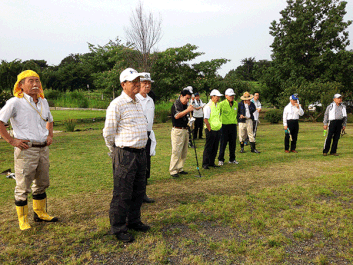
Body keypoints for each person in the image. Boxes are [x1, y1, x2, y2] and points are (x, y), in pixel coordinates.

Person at [0, 70, 58, 231]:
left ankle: (40, 213)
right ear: (21, 85)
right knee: (23, 185)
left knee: (42, 182)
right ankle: (23, 220)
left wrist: (50, 135)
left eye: (37, 81)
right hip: (26, 149)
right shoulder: (15, 102)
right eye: (30, 81)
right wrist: (12, 140)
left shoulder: (43, 102)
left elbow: (50, 120)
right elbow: (1, 122)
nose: (35, 84)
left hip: (42, 148)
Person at [103, 67, 150, 243]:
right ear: (123, 84)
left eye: (138, 80)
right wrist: (115, 151)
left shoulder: (137, 102)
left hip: (140, 153)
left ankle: (134, 221)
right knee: (122, 192)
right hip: (125, 153)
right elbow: (108, 132)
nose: (137, 83)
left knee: (138, 190)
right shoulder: (117, 104)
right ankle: (118, 227)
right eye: (133, 81)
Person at [136, 72, 156, 203]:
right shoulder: (135, 99)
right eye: (144, 83)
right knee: (136, 165)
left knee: (146, 164)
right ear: (138, 84)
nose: (147, 86)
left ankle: (142, 193)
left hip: (147, 134)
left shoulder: (150, 100)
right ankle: (135, 195)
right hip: (137, 135)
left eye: (149, 83)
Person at [169, 90, 194, 178]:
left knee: (184, 151)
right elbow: (177, 115)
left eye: (189, 99)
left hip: (185, 129)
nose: (187, 100)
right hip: (178, 130)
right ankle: (173, 170)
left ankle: (180, 168)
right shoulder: (176, 104)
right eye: (186, 98)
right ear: (181, 96)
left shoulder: (185, 105)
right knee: (176, 151)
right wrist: (187, 110)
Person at [218, 88, 239, 166]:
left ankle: (232, 159)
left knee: (233, 143)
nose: (232, 97)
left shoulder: (236, 104)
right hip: (224, 126)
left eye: (233, 95)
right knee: (223, 143)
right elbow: (218, 114)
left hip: (233, 125)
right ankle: (221, 159)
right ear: (226, 96)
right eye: (230, 96)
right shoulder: (221, 104)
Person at [202, 89, 223, 169]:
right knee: (209, 147)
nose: (218, 98)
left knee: (215, 147)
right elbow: (206, 119)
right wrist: (209, 129)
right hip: (210, 129)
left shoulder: (217, 105)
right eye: (217, 97)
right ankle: (205, 163)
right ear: (212, 97)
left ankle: (211, 162)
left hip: (217, 129)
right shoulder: (208, 106)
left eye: (219, 97)